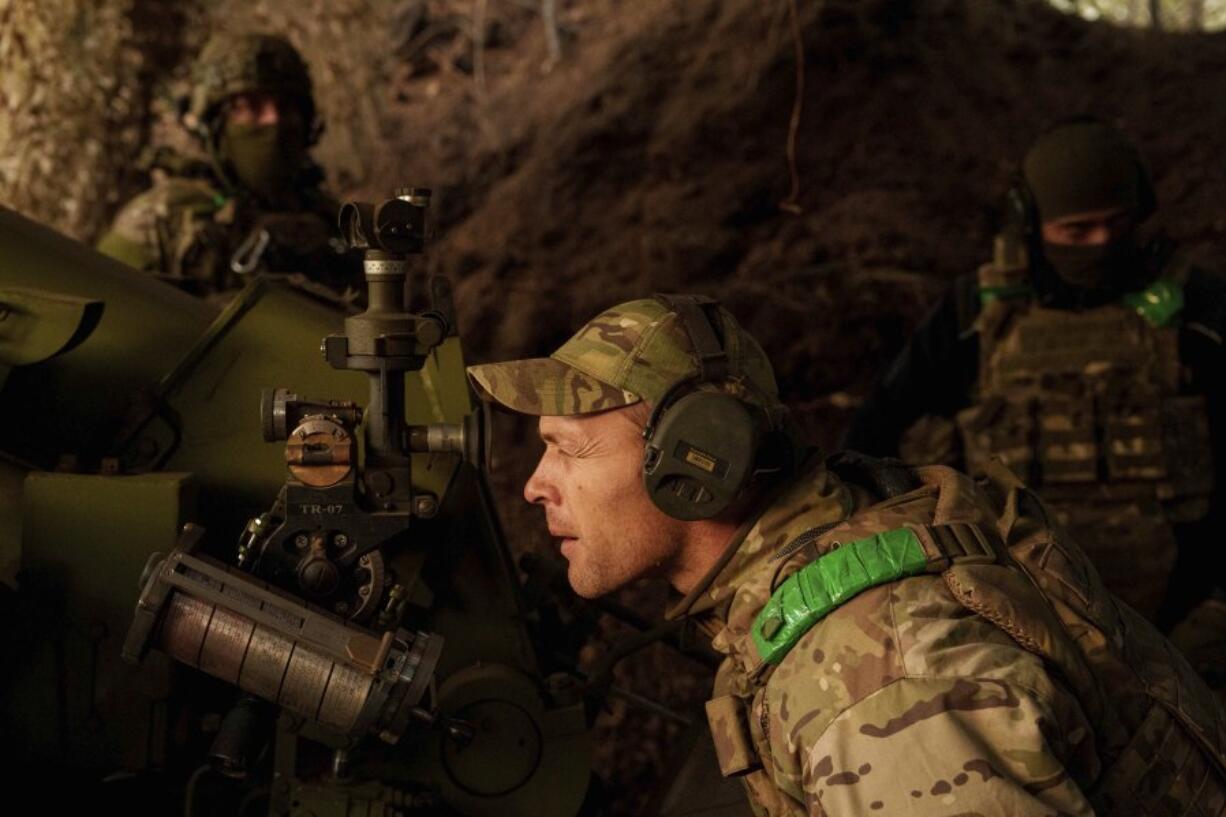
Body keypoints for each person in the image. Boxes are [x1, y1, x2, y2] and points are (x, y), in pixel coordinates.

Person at [466, 294, 1226, 816]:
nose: (536, 486)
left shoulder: (878, 687)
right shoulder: (852, 529)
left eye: (568, 450)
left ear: (700, 460)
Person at [843, 118, 1226, 625]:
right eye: (1077, 230)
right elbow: (872, 439)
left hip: (1179, 610)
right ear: (1030, 220)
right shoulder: (975, 315)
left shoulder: (1196, 308)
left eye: (1118, 223)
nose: (1102, 243)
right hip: (1009, 604)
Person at [96, 33, 357, 302]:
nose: (274, 121)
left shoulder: (340, 225)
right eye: (251, 107)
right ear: (215, 124)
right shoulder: (159, 222)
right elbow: (108, 322)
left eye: (286, 106)